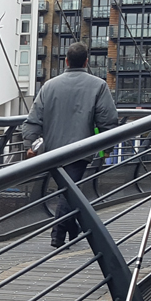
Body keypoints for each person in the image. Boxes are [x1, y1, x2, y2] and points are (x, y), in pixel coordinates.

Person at [18, 42, 118, 247]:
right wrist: (107, 149)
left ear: (66, 61)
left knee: (68, 189)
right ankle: (58, 234)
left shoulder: (49, 86)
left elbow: (33, 119)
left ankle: (74, 231)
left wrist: (30, 143)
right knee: (69, 190)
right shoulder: (98, 85)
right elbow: (107, 121)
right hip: (81, 150)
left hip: (52, 150)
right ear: (86, 61)